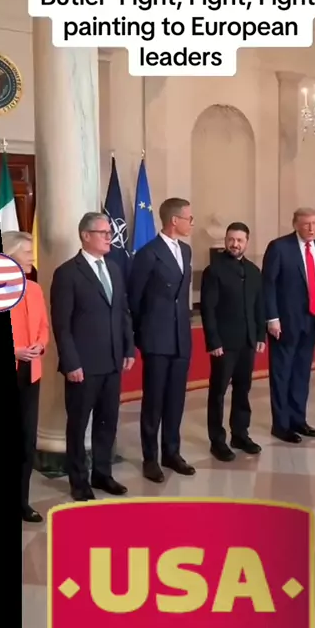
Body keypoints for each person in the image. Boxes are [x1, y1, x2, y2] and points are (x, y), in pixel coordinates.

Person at [50, 212, 135, 502]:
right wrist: (71, 362)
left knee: (107, 422)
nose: (110, 237)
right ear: (86, 236)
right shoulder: (67, 273)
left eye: (110, 233)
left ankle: (102, 473)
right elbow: (62, 325)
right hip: (83, 366)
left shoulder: (114, 268)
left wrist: (128, 347)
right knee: (78, 425)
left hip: (112, 362)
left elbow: (122, 312)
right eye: (104, 233)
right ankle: (79, 482)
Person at [128, 197, 195, 483]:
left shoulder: (186, 250)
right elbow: (135, 299)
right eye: (189, 218)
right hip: (157, 338)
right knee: (154, 401)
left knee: (176, 399)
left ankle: (172, 452)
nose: (192, 223)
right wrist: (142, 335)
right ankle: (150, 458)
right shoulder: (148, 254)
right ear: (174, 220)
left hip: (181, 337)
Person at [262, 208, 315, 443]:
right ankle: (281, 425)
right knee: (282, 374)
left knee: (302, 374)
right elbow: (268, 284)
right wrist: (272, 318)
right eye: (306, 224)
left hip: (312, 321)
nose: (311, 228)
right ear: (295, 224)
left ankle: (298, 420)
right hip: (285, 322)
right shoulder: (279, 247)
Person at [200, 222, 265, 462]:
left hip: (247, 341)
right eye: (231, 239)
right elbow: (208, 309)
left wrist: (260, 335)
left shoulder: (254, 271)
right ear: (226, 240)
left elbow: (259, 306)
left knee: (243, 389)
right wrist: (213, 341)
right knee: (218, 392)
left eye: (239, 240)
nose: (235, 244)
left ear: (247, 242)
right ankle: (217, 441)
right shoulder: (214, 270)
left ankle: (240, 434)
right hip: (224, 344)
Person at [3, 230, 50, 524]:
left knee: (26, 440)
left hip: (30, 374)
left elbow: (43, 327)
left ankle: (22, 501)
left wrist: (40, 346)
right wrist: (16, 350)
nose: (32, 257)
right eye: (26, 252)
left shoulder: (34, 289)